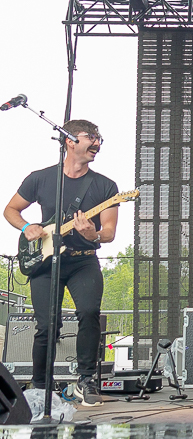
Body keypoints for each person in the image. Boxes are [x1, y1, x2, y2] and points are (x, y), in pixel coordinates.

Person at [3, 120, 119, 407]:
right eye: (91, 138)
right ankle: (40, 386)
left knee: (89, 313)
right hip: (46, 262)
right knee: (46, 325)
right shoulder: (40, 178)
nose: (97, 144)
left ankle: (86, 379)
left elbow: (110, 233)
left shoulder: (106, 186)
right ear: (69, 140)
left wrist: (94, 235)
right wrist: (27, 226)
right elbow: (10, 209)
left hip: (83, 262)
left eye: (99, 139)